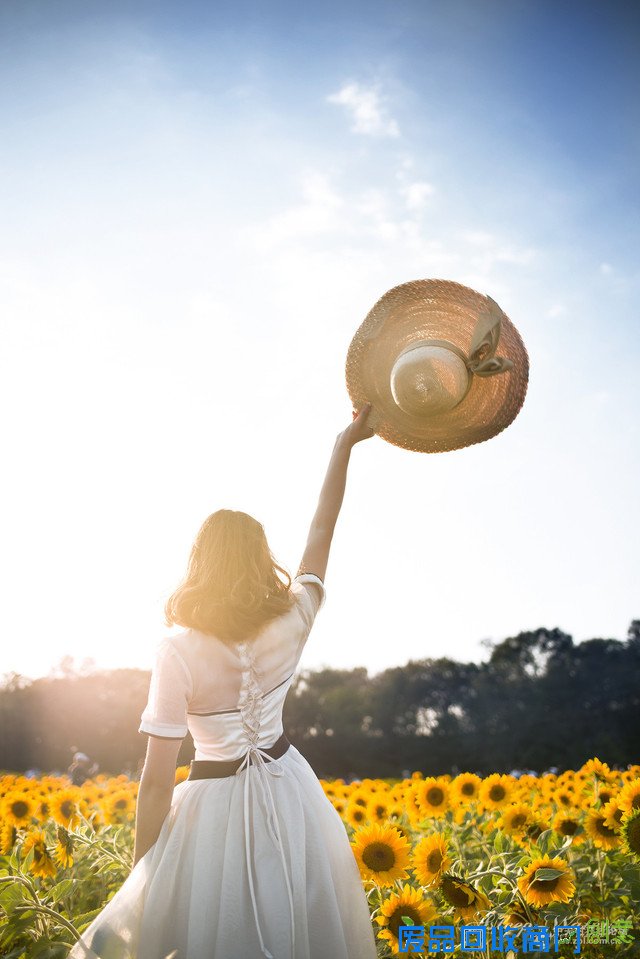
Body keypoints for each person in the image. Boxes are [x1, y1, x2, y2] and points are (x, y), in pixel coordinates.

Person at [68, 402, 377, 959]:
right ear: (263, 560)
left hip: (211, 809)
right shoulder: (294, 619)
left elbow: (158, 781)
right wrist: (343, 446)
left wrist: (146, 878)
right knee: (298, 925)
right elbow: (322, 528)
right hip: (292, 792)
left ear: (199, 563)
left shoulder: (176, 651)